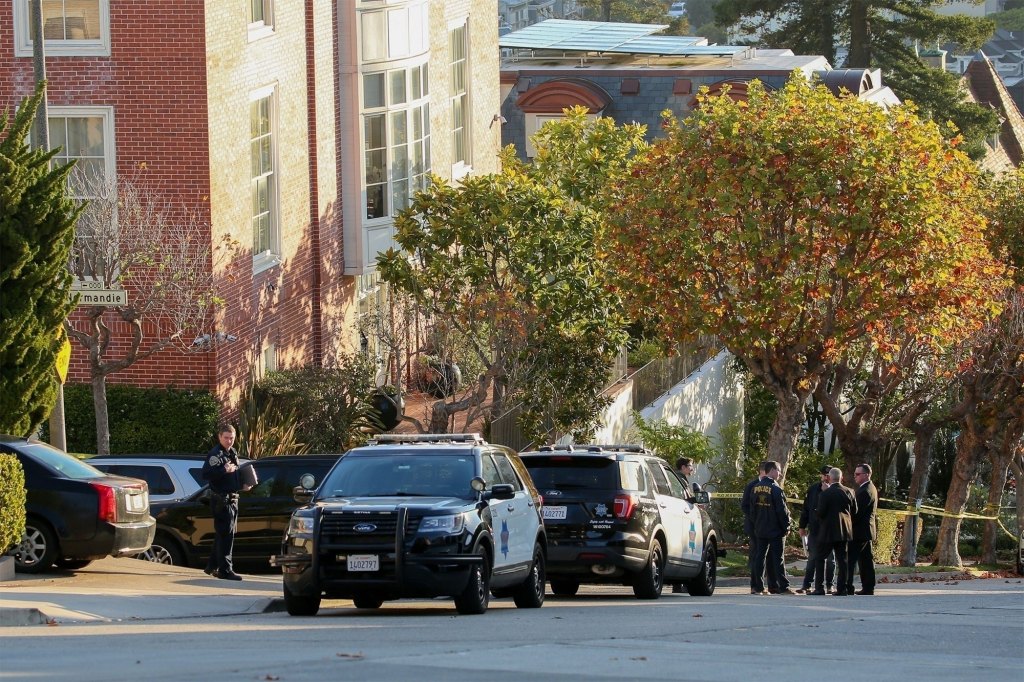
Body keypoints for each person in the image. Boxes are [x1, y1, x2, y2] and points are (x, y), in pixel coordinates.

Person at [202, 424, 250, 581]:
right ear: (219, 437)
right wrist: (224, 470)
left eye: (232, 438)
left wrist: (242, 485)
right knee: (226, 536)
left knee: (223, 534)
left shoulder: (232, 452)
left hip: (232, 498)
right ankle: (225, 570)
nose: (229, 441)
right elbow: (205, 474)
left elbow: (233, 475)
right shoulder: (215, 454)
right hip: (221, 500)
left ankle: (212, 566)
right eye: (226, 438)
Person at [749, 461, 794, 595]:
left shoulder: (755, 487)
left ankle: (758, 587)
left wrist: (756, 524)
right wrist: (786, 526)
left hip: (760, 528)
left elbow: (752, 510)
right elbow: (782, 511)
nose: (779, 474)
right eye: (779, 471)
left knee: (759, 557)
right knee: (778, 558)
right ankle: (783, 586)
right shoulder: (776, 489)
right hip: (775, 530)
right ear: (772, 470)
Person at [816, 467, 857, 596]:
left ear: (829, 478)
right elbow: (855, 511)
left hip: (828, 531)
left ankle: (819, 587)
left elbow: (821, 512)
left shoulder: (825, 493)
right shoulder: (850, 491)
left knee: (820, 558)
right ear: (841, 477)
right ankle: (842, 588)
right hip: (844, 530)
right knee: (842, 560)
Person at [796, 465, 836, 595]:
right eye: (824, 475)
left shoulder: (835, 490)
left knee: (830, 559)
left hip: (829, 530)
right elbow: (806, 509)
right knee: (812, 558)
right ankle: (806, 584)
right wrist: (802, 526)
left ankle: (830, 585)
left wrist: (827, 492)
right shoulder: (813, 489)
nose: (825, 478)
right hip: (815, 528)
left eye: (828, 475)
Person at [741, 462, 775, 594]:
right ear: (763, 471)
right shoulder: (752, 485)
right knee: (757, 555)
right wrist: (756, 519)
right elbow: (745, 506)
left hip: (769, 527)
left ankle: (773, 585)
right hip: (755, 527)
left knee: (771, 556)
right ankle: (755, 585)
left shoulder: (772, 485)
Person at [848, 463, 878, 595]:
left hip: (860, 531)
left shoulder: (865, 491)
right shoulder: (868, 488)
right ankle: (868, 587)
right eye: (855, 473)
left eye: (858, 474)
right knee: (865, 560)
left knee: (851, 559)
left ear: (866, 475)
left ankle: (847, 586)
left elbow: (857, 513)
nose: (855, 476)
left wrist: (847, 523)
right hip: (865, 530)